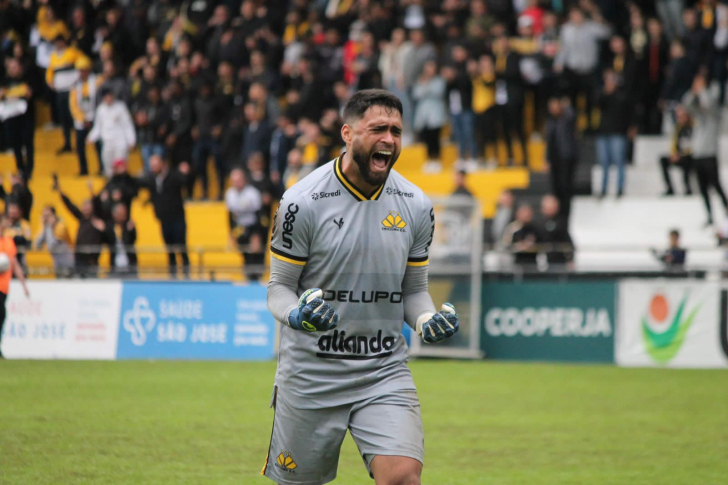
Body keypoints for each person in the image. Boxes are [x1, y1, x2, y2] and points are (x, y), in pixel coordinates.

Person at [263, 89, 459, 485]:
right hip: (311, 374)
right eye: (378, 129)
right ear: (348, 134)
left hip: (382, 370)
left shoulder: (416, 205)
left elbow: (413, 291)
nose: (389, 139)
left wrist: (425, 319)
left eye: (396, 131)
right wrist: (298, 316)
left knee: (403, 477)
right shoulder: (301, 202)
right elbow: (279, 289)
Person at [682, 71, 728, 226]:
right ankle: (710, 216)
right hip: (698, 155)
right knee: (702, 188)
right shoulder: (699, 114)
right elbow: (686, 104)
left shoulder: (713, 113)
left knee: (716, 185)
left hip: (709, 154)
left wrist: (702, 90)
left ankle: (726, 211)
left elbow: (709, 103)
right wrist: (693, 90)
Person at [136, 155, 190, 277]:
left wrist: (185, 173)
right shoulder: (152, 179)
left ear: (162, 164)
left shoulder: (172, 176)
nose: (153, 168)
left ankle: (187, 274)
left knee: (181, 247)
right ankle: (173, 275)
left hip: (177, 218)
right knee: (169, 249)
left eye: (155, 165)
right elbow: (139, 184)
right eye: (151, 166)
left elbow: (184, 180)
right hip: (164, 220)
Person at [54, 175, 106, 278]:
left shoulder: (97, 219)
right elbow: (70, 206)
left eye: (88, 206)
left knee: (91, 282)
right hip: (79, 257)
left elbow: (98, 205)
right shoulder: (82, 219)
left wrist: (92, 192)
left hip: (91, 259)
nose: (86, 209)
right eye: (84, 206)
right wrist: (60, 191)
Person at [46, 34, 84, 155]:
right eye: (55, 42)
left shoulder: (73, 52)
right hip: (60, 91)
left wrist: (78, 80)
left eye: (59, 42)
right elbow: (50, 71)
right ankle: (67, 143)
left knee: (73, 115)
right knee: (63, 118)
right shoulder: (53, 56)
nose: (57, 44)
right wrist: (51, 82)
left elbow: (82, 64)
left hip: (72, 90)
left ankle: (79, 143)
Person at [596, 71, 631, 198]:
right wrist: (606, 92)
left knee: (619, 161)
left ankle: (620, 188)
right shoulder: (603, 94)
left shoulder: (621, 95)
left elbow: (626, 110)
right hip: (603, 133)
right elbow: (597, 102)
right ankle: (604, 189)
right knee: (604, 162)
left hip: (618, 133)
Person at [0, 213, 30, 358]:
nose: (7, 224)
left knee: (1, 315)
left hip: (4, 287)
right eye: (5, 221)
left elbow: (15, 264)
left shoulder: (9, 241)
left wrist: (24, 285)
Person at [87, 88, 136, 176]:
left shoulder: (121, 107)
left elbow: (127, 125)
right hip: (108, 141)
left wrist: (131, 140)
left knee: (120, 164)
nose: (109, 99)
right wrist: (91, 137)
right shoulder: (101, 109)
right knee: (107, 163)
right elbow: (98, 126)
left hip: (121, 141)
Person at [225, 168, 264, 281]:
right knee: (244, 256)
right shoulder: (230, 194)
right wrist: (231, 233)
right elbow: (230, 216)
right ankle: (248, 279)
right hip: (240, 228)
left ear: (244, 180)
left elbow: (259, 215)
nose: (236, 184)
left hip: (253, 226)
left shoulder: (252, 193)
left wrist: (257, 235)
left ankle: (255, 279)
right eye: (234, 181)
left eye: (238, 181)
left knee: (254, 255)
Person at [0, 58, 35, 181]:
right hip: (10, 117)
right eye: (10, 68)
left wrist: (27, 93)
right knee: (15, 144)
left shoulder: (27, 78)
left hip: (26, 116)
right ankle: (20, 168)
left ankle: (29, 169)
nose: (13, 70)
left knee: (27, 141)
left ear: (20, 67)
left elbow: (33, 93)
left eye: (15, 67)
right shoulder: (4, 82)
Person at [69, 56, 103, 176]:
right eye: (80, 70)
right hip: (81, 121)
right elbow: (73, 105)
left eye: (84, 70)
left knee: (98, 145)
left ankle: (102, 168)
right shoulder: (75, 86)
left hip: (96, 118)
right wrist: (82, 119)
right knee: (79, 145)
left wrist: (92, 118)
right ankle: (83, 169)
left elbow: (100, 100)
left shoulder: (97, 82)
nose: (82, 73)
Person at [545, 97, 577, 220]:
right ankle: (556, 216)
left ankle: (566, 215)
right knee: (555, 189)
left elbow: (572, 116)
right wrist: (547, 159)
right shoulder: (550, 121)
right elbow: (549, 143)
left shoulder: (566, 118)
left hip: (566, 159)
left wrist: (567, 106)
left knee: (565, 189)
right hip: (555, 160)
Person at [412, 60, 447, 172]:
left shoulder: (439, 80)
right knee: (426, 138)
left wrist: (425, 86)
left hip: (435, 114)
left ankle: (437, 160)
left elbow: (438, 92)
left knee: (435, 138)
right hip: (424, 115)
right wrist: (425, 87)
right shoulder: (420, 80)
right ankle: (429, 160)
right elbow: (416, 94)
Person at [660, 105, 693, 196]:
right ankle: (670, 188)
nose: (679, 117)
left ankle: (687, 188)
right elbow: (674, 143)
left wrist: (681, 154)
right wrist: (673, 154)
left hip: (690, 156)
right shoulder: (678, 128)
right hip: (679, 156)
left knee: (687, 160)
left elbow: (693, 145)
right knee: (663, 160)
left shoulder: (693, 127)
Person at [33, 205, 74, 277]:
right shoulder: (45, 227)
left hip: (68, 262)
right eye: (44, 216)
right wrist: (43, 227)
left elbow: (52, 244)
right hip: (57, 263)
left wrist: (49, 227)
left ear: (54, 216)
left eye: (48, 216)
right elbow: (37, 245)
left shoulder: (61, 225)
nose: (46, 218)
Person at [538, 195, 574, 270]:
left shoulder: (561, 223)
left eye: (552, 207)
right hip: (541, 263)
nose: (550, 209)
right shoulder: (538, 225)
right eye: (547, 207)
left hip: (560, 263)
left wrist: (570, 259)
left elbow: (568, 243)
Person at [502, 203, 539, 269]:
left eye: (528, 213)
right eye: (523, 212)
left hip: (532, 262)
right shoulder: (512, 228)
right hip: (515, 262)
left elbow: (541, 244)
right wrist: (518, 246)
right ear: (517, 214)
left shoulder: (535, 229)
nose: (526, 215)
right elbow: (506, 244)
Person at [107, 204, 137, 277]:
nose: (123, 216)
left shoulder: (128, 227)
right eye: (120, 214)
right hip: (114, 266)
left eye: (124, 213)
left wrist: (130, 231)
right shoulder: (110, 228)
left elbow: (132, 240)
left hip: (129, 266)